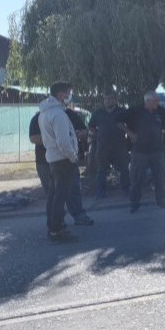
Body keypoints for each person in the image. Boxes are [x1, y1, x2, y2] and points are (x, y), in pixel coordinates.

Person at [30, 110, 94, 228]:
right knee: (52, 193)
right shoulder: (40, 117)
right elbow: (33, 138)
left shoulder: (70, 114)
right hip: (45, 162)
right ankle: (57, 221)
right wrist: (58, 138)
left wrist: (75, 134)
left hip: (69, 159)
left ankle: (78, 215)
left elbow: (84, 131)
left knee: (73, 189)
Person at [120, 90, 165, 213]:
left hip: (157, 151)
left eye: (157, 100)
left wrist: (164, 129)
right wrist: (129, 133)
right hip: (140, 151)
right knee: (136, 178)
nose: (157, 102)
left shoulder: (160, 111)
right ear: (147, 101)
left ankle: (161, 201)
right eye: (155, 101)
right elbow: (118, 120)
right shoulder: (136, 111)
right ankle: (134, 203)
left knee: (160, 178)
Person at [38, 81, 82, 242]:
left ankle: (52, 226)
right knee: (60, 197)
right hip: (63, 160)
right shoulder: (57, 114)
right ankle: (56, 230)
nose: (69, 95)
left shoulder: (44, 112)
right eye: (68, 92)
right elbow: (63, 142)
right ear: (61, 94)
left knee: (53, 195)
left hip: (53, 159)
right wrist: (73, 156)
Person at [89, 91, 130, 201]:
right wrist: (98, 135)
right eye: (105, 99)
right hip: (103, 147)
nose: (107, 101)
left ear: (115, 100)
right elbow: (91, 127)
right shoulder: (98, 113)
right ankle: (100, 193)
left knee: (124, 169)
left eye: (110, 98)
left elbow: (129, 125)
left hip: (120, 146)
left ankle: (126, 190)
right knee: (101, 170)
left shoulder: (122, 112)